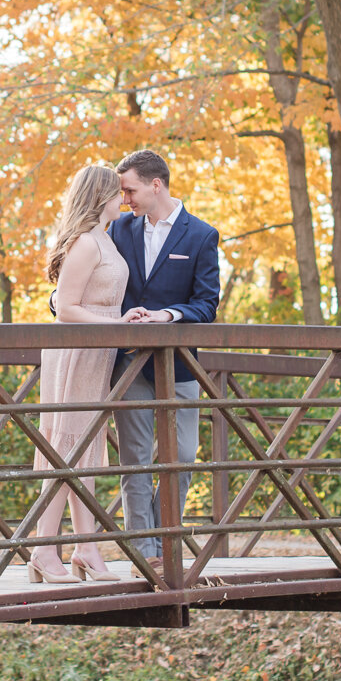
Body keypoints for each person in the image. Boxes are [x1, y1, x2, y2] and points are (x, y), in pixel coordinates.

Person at [109, 149, 220, 559]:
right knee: (134, 460)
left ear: (156, 185)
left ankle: (162, 537)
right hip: (128, 361)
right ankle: (146, 552)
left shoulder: (201, 235)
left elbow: (207, 304)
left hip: (179, 365)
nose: (125, 200)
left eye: (130, 190)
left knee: (184, 456)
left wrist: (168, 315)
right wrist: (60, 301)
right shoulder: (117, 230)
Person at [30, 165, 131, 584]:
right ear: (100, 196)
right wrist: (119, 326)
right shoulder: (86, 243)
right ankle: (42, 549)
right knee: (67, 449)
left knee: (84, 451)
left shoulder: (105, 238)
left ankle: (86, 548)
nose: (123, 199)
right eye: (117, 193)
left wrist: (127, 319)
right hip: (76, 352)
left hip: (97, 351)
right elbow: (67, 307)